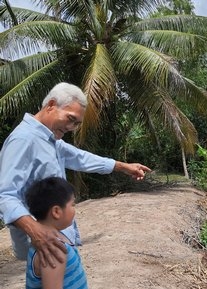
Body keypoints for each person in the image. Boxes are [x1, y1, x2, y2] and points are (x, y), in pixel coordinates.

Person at [0, 82, 151, 267]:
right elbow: (6, 195)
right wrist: (36, 231)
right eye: (70, 119)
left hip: (58, 240)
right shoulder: (23, 140)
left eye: (76, 124)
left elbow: (80, 158)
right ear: (51, 105)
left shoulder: (50, 139)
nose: (71, 127)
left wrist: (122, 166)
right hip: (44, 246)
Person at [25, 177, 93, 289]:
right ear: (56, 211)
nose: (74, 209)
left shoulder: (46, 240)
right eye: (73, 205)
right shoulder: (53, 248)